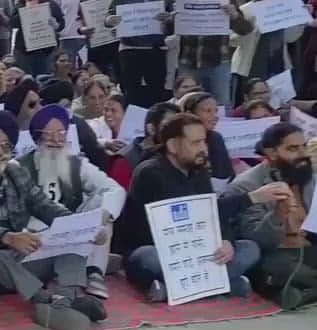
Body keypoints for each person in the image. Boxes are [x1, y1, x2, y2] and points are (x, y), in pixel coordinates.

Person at [0, 112, 105, 330]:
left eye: (4, 145)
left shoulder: (16, 172)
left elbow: (45, 206)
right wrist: (8, 237)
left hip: (18, 257)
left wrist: (83, 227)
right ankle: (45, 300)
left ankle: (67, 298)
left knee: (70, 237)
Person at [113, 114, 288, 302]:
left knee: (249, 248)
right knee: (147, 257)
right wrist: (252, 197)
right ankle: (221, 284)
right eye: (195, 143)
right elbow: (192, 212)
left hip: (197, 249)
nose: (203, 149)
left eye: (204, 142)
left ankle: (174, 289)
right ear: (172, 146)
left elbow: (213, 213)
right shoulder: (150, 172)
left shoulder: (199, 170)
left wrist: (225, 240)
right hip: (161, 249)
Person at [16, 106, 126, 299]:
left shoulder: (77, 164)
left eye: (61, 133)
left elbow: (114, 189)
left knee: (104, 206)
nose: (56, 140)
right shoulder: (18, 167)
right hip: (35, 238)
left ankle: (94, 272)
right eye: (48, 134)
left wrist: (103, 214)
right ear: (37, 137)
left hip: (72, 234)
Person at [228, 123, 317, 309]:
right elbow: (253, 239)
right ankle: (301, 290)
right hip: (275, 254)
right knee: (282, 269)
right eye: (293, 149)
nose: (303, 154)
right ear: (272, 153)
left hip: (310, 248)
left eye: (304, 146)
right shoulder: (246, 186)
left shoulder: (311, 176)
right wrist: (277, 216)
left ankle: (303, 293)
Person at [105, 0, 178, 108]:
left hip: (157, 49)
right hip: (130, 48)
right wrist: (110, 20)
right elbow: (109, 16)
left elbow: (176, 15)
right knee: (131, 94)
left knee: (157, 93)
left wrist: (170, 19)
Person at [232, 0, 306, 101]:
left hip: (278, 64)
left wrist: (302, 19)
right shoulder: (244, 10)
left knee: (279, 102)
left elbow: (290, 38)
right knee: (251, 102)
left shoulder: (281, 9)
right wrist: (251, 28)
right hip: (251, 65)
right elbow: (232, 40)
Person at [10, 0, 64, 79]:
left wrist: (56, 25)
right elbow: (12, 23)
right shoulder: (20, 5)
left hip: (46, 51)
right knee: (26, 79)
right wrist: (27, 10)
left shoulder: (50, 4)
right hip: (24, 51)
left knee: (44, 78)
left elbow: (61, 22)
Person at [178, 91, 236, 181]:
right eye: (208, 111)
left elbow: (226, 174)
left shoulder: (216, 138)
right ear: (190, 114)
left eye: (215, 111)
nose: (215, 116)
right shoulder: (178, 140)